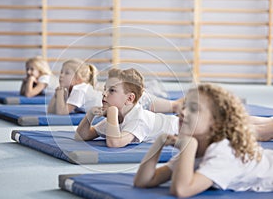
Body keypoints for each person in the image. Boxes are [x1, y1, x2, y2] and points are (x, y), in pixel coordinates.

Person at [134, 83, 273, 197]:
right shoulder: (199, 147)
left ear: (216, 122)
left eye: (194, 109)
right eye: (185, 106)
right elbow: (143, 181)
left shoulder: (223, 151)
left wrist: (188, 147)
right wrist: (159, 142)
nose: (182, 112)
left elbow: (181, 190)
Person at [75, 68, 180, 147]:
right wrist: (90, 115)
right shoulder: (117, 118)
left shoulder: (138, 120)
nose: (104, 94)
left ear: (129, 98)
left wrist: (111, 111)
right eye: (105, 89)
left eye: (112, 90)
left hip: (181, 126)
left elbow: (114, 143)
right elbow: (82, 136)